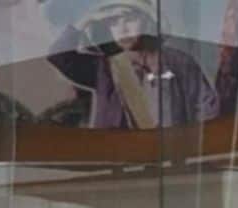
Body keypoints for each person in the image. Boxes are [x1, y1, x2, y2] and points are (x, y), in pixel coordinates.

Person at [47, 0, 218, 132]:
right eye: (113, 23)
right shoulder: (104, 68)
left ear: (146, 20)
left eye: (129, 19)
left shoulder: (179, 62)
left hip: (170, 161)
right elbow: (59, 55)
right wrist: (84, 21)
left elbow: (206, 108)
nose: (123, 29)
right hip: (121, 163)